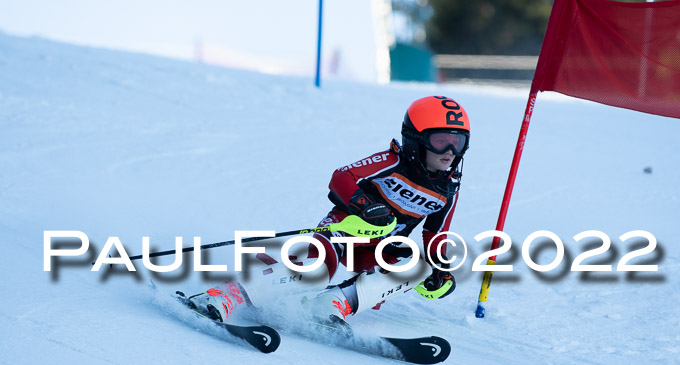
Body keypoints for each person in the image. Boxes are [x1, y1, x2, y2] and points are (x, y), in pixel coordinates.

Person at [188, 95, 470, 326]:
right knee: (319, 270)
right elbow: (341, 177)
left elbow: (436, 232)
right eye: (440, 140)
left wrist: (440, 268)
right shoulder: (391, 161)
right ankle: (221, 296)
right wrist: (366, 206)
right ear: (415, 139)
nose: (449, 151)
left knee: (419, 266)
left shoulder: (448, 189)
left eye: (458, 142)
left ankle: (332, 305)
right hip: (346, 227)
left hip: (381, 247)